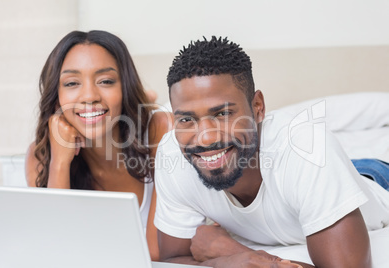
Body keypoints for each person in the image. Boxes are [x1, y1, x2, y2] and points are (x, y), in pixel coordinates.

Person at [153, 36, 389, 267]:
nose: (205, 138)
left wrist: (235, 252)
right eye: (186, 119)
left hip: (377, 178)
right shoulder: (172, 154)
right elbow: (173, 260)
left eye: (223, 114)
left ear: (258, 108)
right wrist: (229, 263)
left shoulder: (308, 146)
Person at [25, 30, 171, 261]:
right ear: (56, 97)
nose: (89, 96)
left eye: (106, 81)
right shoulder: (40, 155)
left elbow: (155, 252)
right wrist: (60, 164)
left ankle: (148, 98)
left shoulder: (160, 130)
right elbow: (55, 250)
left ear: (125, 87)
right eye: (72, 83)